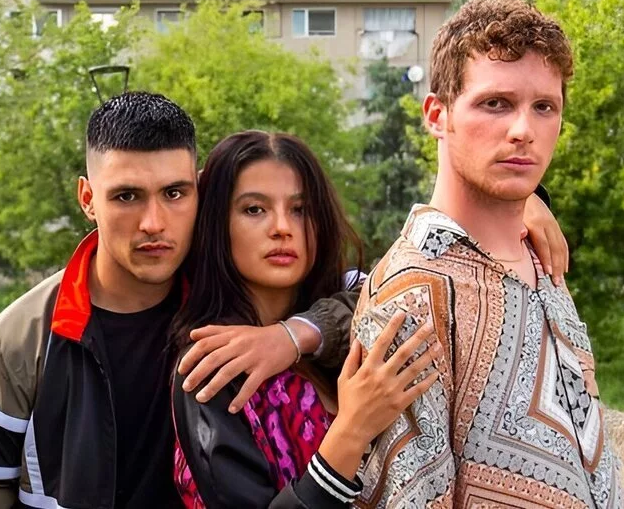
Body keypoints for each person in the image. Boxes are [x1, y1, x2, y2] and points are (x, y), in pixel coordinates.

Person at [0, 91, 570, 508]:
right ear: (89, 198)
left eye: (174, 193)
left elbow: (381, 287)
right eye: (126, 197)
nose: (153, 222)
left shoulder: (226, 297)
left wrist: (512, 207)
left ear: (198, 196)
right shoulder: (23, 339)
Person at [349, 0, 624, 509]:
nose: (524, 130)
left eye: (544, 107)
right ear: (437, 115)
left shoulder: (542, 259)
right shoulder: (415, 292)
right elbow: (411, 496)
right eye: (495, 103)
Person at [169, 131, 437, 508]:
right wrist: (351, 432)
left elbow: (403, 301)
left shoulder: (351, 320)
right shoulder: (214, 365)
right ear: (217, 223)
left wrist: (295, 335)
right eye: (254, 209)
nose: (282, 227)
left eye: (300, 209)